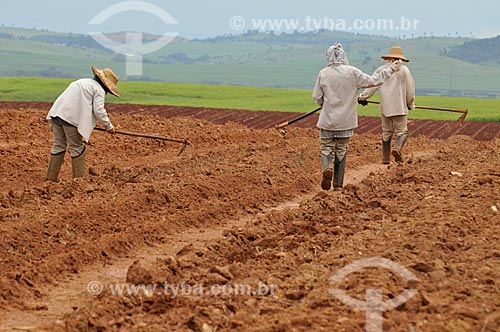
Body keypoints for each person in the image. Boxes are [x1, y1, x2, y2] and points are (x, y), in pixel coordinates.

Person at [312, 43, 401, 191]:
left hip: (327, 120)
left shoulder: (323, 73)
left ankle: (327, 167)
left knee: (326, 148)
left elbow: (317, 96)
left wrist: (323, 105)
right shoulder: (352, 72)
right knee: (341, 149)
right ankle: (338, 186)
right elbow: (373, 81)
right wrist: (390, 69)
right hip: (346, 121)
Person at [45, 65, 120, 182]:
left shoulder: (82, 82)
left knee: (59, 145)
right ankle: (79, 182)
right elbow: (99, 110)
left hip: (56, 114)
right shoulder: (98, 90)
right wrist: (109, 126)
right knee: (77, 147)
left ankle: (51, 178)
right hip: (71, 119)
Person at [358, 46, 415, 164]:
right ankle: (397, 148)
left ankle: (385, 158)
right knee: (402, 131)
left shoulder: (381, 70)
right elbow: (410, 90)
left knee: (386, 132)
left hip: (385, 108)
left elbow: (372, 85)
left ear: (389, 57)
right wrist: (410, 103)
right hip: (400, 107)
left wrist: (363, 97)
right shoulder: (404, 70)